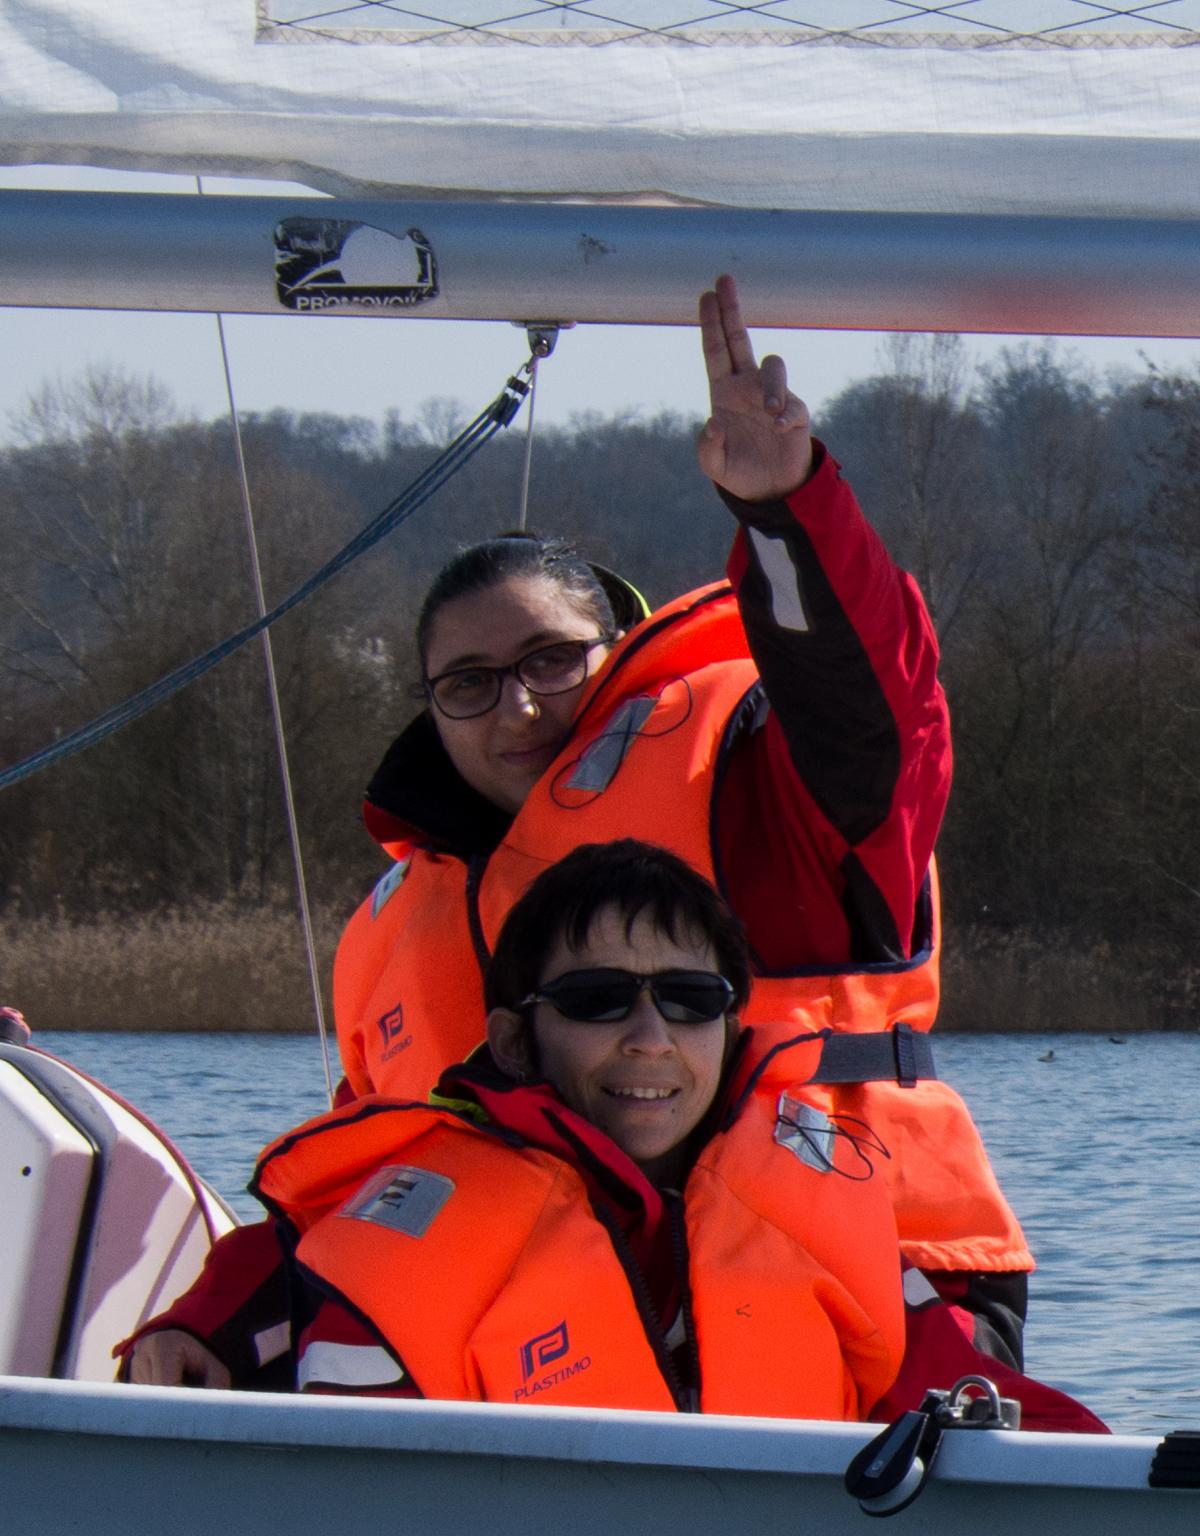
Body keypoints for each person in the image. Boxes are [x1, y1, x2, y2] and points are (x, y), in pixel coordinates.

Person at [118, 274, 1031, 1391]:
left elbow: (874, 714)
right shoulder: (394, 925)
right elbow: (368, 1187)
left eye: (552, 661)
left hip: (872, 1289)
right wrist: (214, 1321)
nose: (517, 708)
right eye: (469, 682)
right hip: (548, 1346)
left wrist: (787, 511)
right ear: (429, 707)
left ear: (620, 650)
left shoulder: (760, 787)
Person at [256, 843, 1104, 1431]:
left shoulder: (828, 1218)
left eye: (691, 1000)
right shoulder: (398, 1261)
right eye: (597, 999)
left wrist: (1138, 1496)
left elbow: (993, 1410)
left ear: (732, 1031)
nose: (651, 1038)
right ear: (513, 1041)